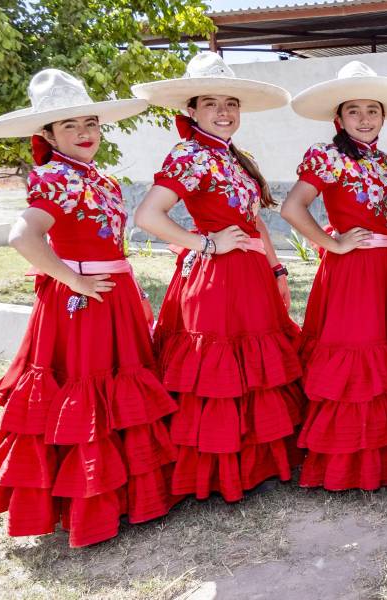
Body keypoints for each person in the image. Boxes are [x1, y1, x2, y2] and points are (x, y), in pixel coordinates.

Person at [0, 69, 176, 546]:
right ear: (48, 135)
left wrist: (127, 287)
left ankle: (125, 495)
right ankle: (86, 505)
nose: (85, 133)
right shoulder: (55, 176)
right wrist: (73, 279)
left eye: (91, 123)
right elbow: (22, 235)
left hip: (113, 296)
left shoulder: (100, 178)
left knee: (119, 389)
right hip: (81, 303)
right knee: (86, 393)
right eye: (70, 126)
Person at [132, 52, 304, 503]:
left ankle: (257, 462)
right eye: (211, 103)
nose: (223, 112)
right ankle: (219, 469)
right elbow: (148, 215)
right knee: (219, 370)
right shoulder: (189, 155)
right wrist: (207, 244)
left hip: (251, 274)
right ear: (191, 110)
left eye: (231, 103)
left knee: (254, 366)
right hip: (217, 277)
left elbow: (255, 221)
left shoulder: (236, 157)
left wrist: (277, 268)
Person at [283, 61, 387, 491]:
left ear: (383, 116)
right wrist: (333, 244)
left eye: (372, 110)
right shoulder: (326, 156)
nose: (365, 119)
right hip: (354, 271)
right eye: (354, 111)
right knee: (358, 357)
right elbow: (292, 208)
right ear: (339, 117)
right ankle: (350, 462)